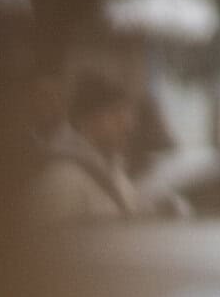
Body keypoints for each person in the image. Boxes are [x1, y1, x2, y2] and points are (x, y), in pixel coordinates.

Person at [29, 72, 139, 222]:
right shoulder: (62, 180)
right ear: (84, 121)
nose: (127, 124)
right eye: (115, 112)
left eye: (128, 113)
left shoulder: (117, 175)